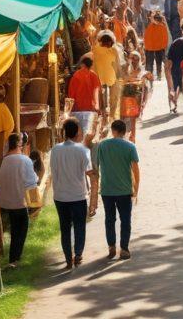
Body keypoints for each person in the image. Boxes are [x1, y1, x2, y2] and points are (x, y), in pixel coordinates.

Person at [50, 117, 96, 270]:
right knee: (79, 226)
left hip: (60, 196)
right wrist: (94, 197)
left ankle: (68, 259)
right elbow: (90, 172)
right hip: (78, 196)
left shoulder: (55, 150)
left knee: (65, 228)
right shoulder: (83, 150)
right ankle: (78, 254)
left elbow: (54, 172)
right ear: (77, 132)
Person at [95, 119, 140, 261]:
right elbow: (135, 169)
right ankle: (124, 249)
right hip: (124, 189)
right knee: (125, 219)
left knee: (109, 219)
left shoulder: (102, 145)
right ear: (125, 131)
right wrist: (136, 189)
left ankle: (111, 246)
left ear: (113, 131)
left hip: (107, 189)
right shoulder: (130, 146)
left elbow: (96, 166)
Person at [0, 131, 38, 268]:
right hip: (20, 201)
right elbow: (31, 181)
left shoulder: (5, 160)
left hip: (8, 201)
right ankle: (15, 259)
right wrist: (34, 202)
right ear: (19, 144)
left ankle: (12, 258)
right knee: (22, 228)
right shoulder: (24, 159)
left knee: (15, 229)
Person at [67, 53, 105, 144]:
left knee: (78, 133)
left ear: (82, 64)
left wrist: (69, 108)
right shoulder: (94, 75)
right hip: (91, 109)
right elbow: (99, 93)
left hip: (77, 108)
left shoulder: (76, 75)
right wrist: (100, 108)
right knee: (87, 133)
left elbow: (71, 93)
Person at [93, 30, 122, 121]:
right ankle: (111, 117)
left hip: (100, 78)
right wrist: (119, 76)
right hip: (110, 78)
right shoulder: (114, 50)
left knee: (103, 100)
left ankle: (105, 116)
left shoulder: (95, 49)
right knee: (113, 99)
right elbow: (117, 64)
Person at [143, 10, 169, 81]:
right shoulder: (148, 23)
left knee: (158, 64)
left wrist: (164, 46)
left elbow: (165, 36)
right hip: (149, 47)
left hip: (159, 47)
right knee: (149, 65)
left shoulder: (162, 25)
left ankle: (159, 77)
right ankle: (149, 78)